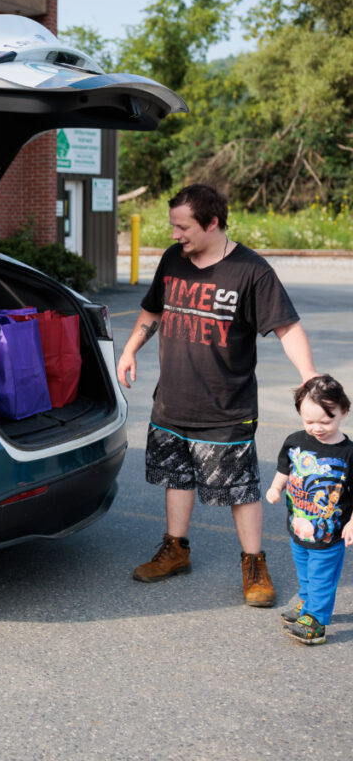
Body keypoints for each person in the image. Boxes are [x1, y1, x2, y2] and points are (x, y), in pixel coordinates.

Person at [117, 183, 317, 607]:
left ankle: (253, 563)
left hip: (227, 407)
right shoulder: (173, 260)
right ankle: (175, 550)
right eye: (173, 226)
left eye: (182, 226)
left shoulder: (252, 271)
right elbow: (154, 308)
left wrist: (309, 376)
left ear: (212, 222)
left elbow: (287, 327)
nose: (174, 235)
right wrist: (131, 348)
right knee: (177, 477)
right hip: (171, 401)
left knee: (240, 489)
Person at [266, 375, 353, 644]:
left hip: (329, 534)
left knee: (321, 576)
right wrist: (276, 488)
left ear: (343, 412)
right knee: (304, 570)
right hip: (297, 526)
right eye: (309, 421)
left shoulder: (348, 453)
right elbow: (285, 468)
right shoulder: (295, 441)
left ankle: (316, 621)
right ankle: (306, 604)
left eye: (325, 421)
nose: (316, 428)